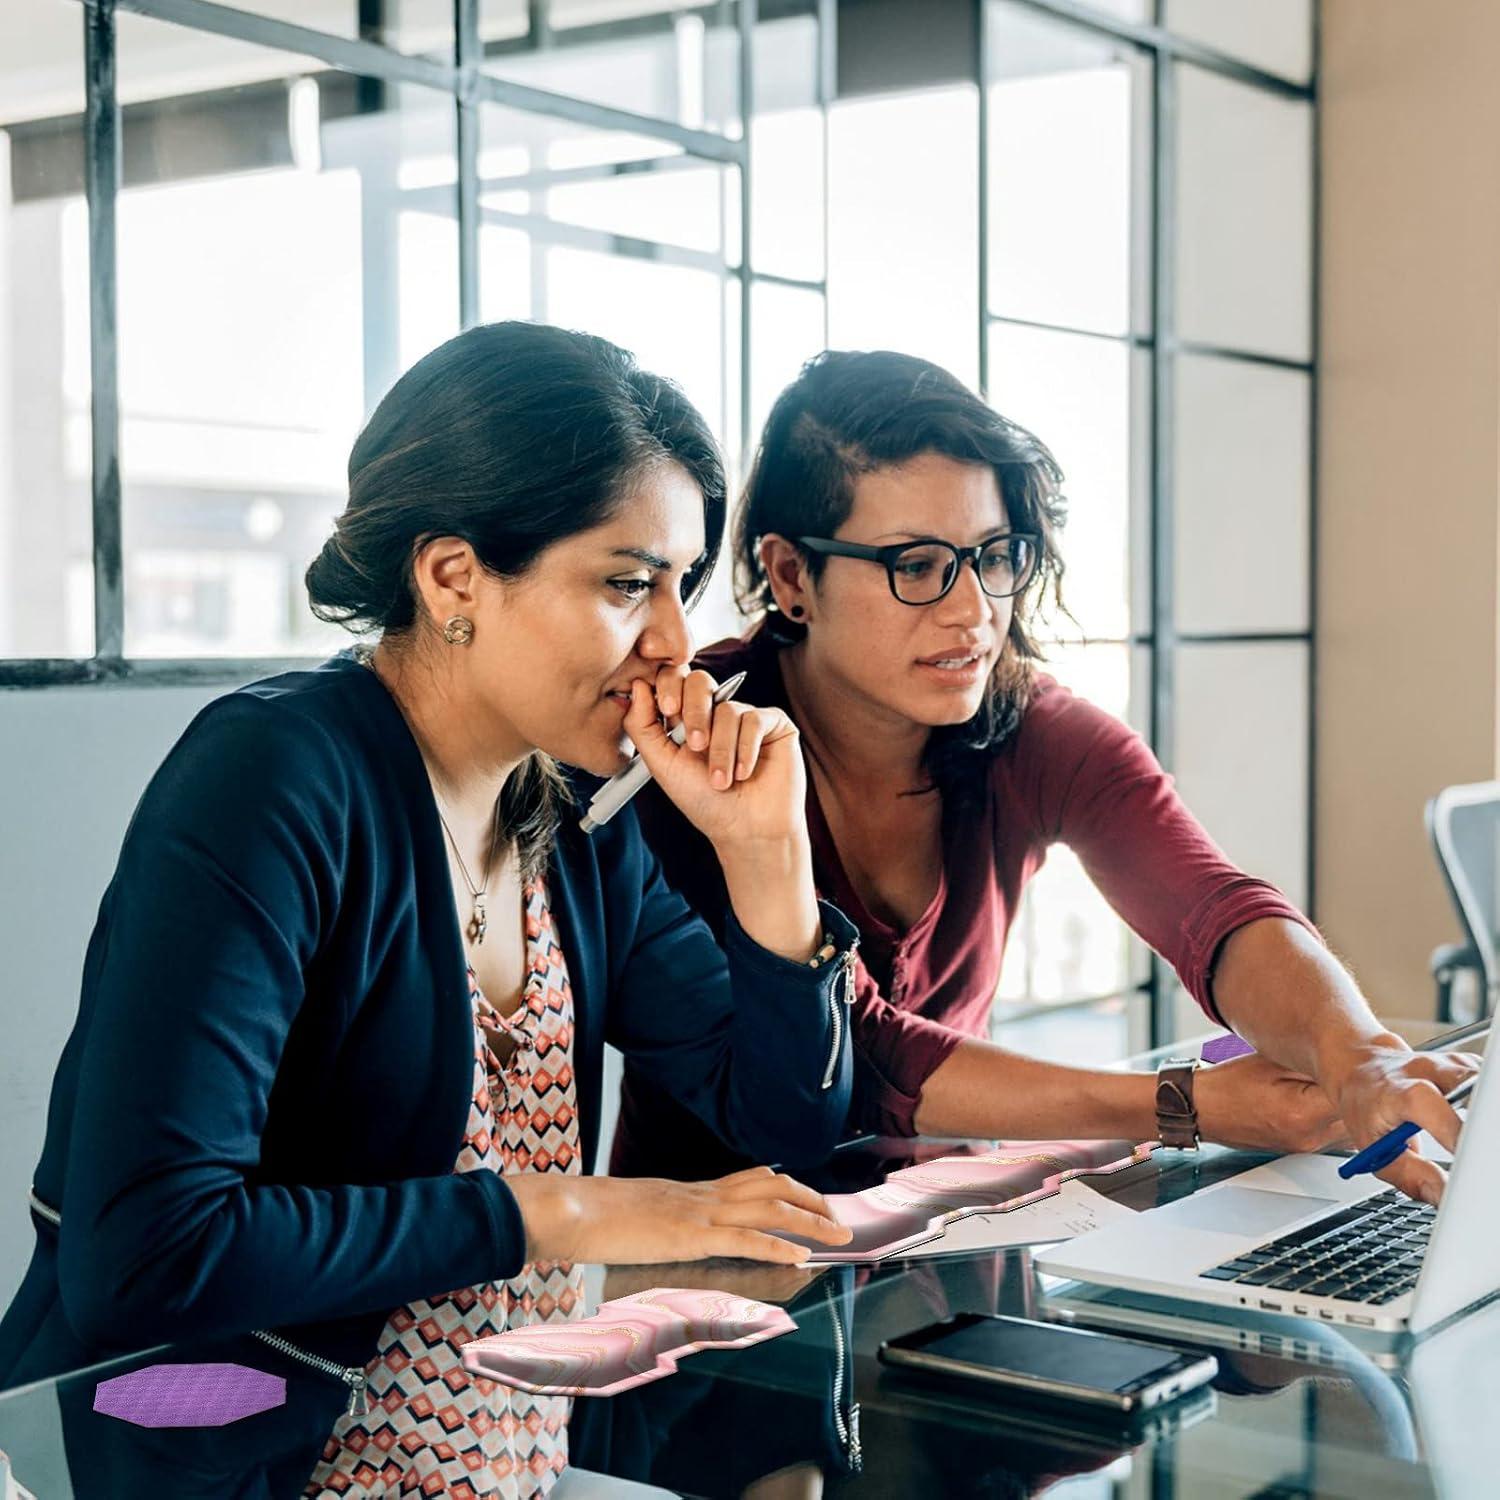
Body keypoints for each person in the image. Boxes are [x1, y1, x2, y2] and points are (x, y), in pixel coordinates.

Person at [0, 323, 860, 1494]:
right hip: (254, 1471)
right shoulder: (273, 778)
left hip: (514, 1472)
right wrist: (554, 1212)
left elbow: (786, 1120)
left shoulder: (572, 813)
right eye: (626, 584)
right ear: (453, 577)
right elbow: (149, 1254)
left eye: (684, 584)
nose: (674, 644)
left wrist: (768, 855)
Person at [615, 349, 1478, 1203]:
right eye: (916, 566)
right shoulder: (695, 747)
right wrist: (1185, 1105)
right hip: (714, 1254)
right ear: (791, 574)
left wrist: (1357, 1054)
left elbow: (1213, 908)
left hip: (954, 1228)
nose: (973, 611)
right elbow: (862, 1057)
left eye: (994, 556)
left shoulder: (1027, 724)